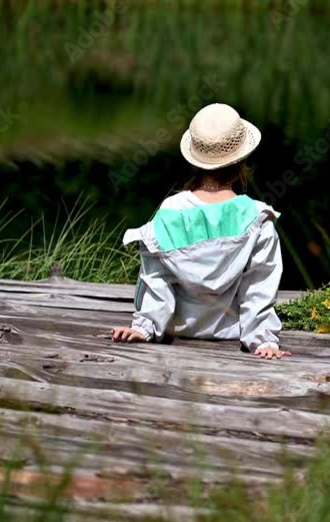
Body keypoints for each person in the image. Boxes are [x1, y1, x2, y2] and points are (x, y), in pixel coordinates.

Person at [110, 103, 290, 360]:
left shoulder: (171, 210)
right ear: (241, 161)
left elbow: (156, 279)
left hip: (177, 332)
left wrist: (144, 327)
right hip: (231, 333)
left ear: (194, 159)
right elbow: (258, 286)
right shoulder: (258, 218)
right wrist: (264, 340)